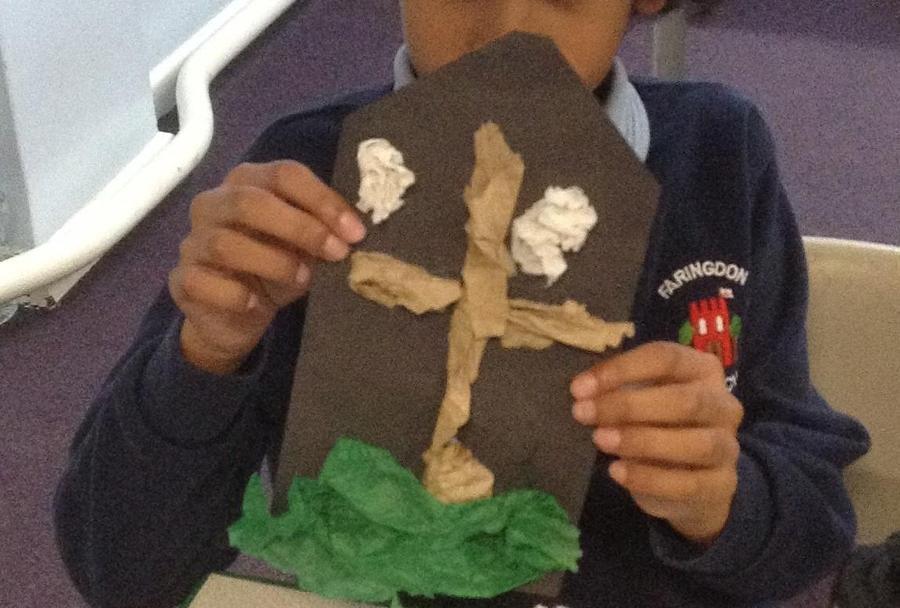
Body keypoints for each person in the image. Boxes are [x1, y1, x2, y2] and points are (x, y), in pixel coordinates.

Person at [54, 1, 871, 607]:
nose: (504, 33)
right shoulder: (307, 179)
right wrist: (208, 352)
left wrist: (722, 502)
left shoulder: (718, 158)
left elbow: (812, 526)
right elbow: (118, 567)